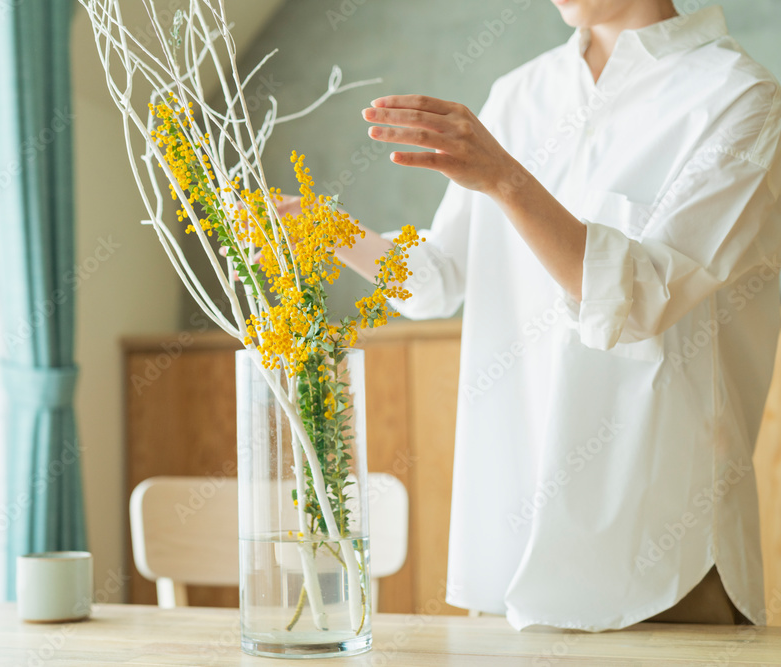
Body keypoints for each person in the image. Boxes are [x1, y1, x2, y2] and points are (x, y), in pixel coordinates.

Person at [278, 0, 781, 631]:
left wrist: (507, 179)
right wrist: (313, 223)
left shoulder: (740, 99)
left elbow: (640, 299)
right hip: (512, 552)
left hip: (660, 560)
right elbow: (435, 279)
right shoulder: (518, 94)